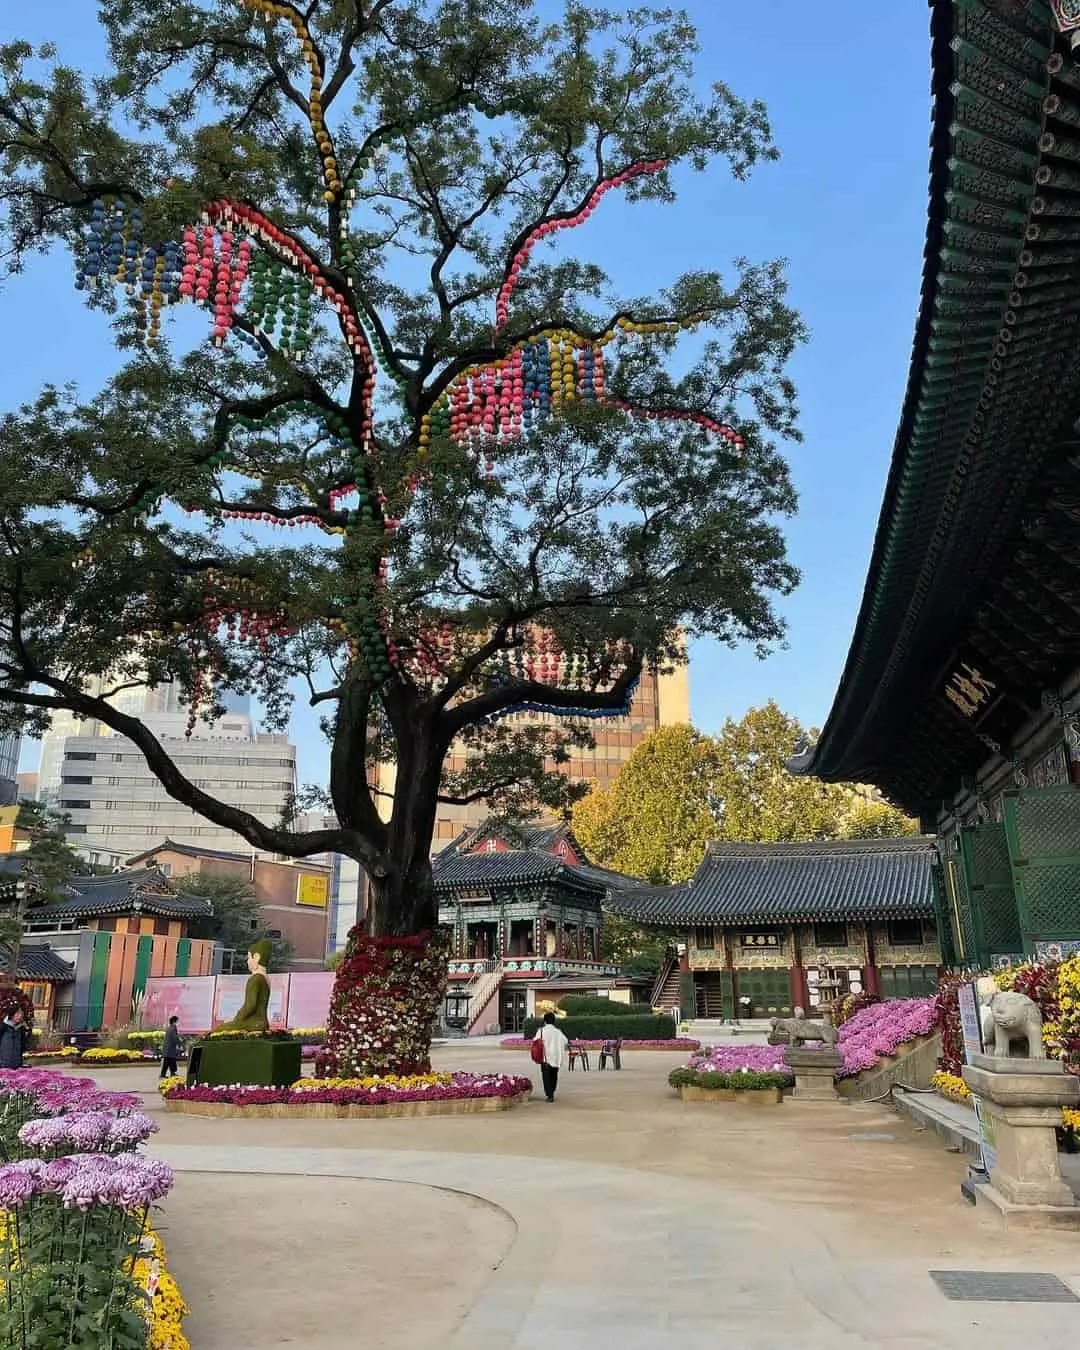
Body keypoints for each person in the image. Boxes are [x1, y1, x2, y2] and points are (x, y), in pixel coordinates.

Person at [533, 1011, 570, 1103]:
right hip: (556, 1058)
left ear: (545, 1021)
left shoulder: (541, 1031)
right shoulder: (558, 1032)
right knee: (554, 1076)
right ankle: (552, 1092)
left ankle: (549, 1095)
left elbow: (535, 1041)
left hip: (545, 1058)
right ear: (554, 1021)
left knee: (546, 1077)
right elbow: (565, 1041)